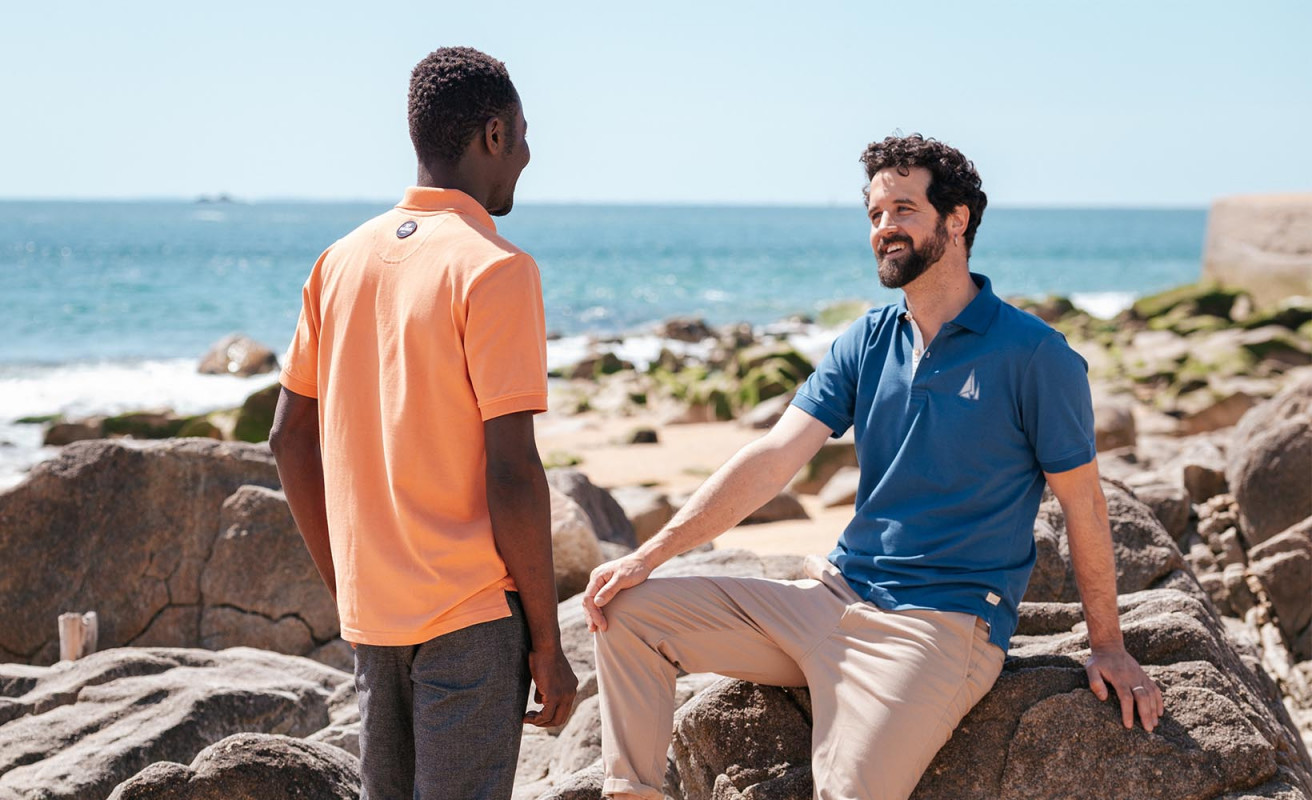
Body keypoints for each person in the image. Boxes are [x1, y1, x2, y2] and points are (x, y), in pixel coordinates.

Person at [582, 134, 1164, 800]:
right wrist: (647, 557)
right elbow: (773, 460)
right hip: (831, 597)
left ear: (957, 220)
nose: (884, 227)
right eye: (874, 214)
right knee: (626, 613)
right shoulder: (866, 340)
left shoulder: (1034, 355)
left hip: (938, 626)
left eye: (903, 209)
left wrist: (1108, 644)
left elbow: (1084, 505)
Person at [270, 46, 576, 800]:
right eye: (525, 134)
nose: (529, 154)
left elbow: (285, 438)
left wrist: (348, 586)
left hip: (374, 618)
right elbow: (512, 471)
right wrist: (546, 639)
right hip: (469, 617)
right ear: (495, 135)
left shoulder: (337, 261)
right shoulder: (496, 268)